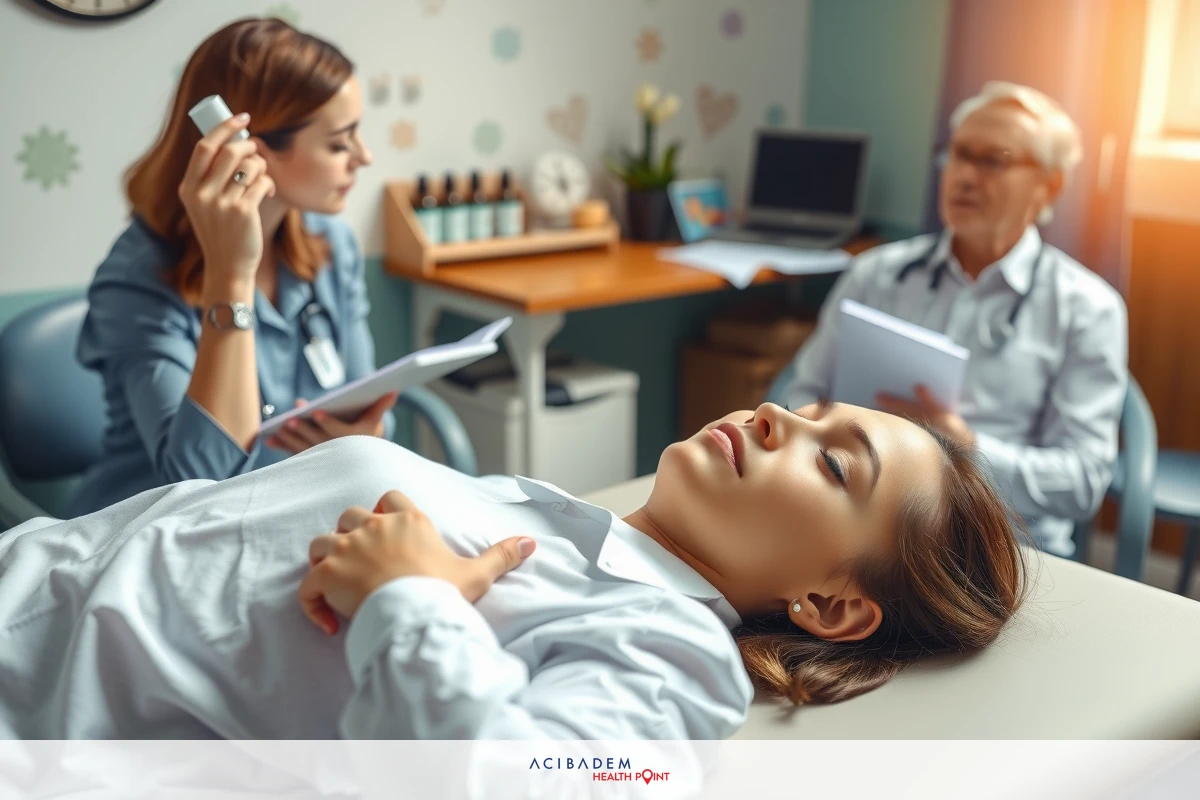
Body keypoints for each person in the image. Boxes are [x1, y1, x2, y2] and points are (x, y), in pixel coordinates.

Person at [0, 401, 1027, 739]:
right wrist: (346, 457)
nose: (775, 416)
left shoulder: (671, 660)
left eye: (830, 458)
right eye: (805, 405)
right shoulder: (547, 515)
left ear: (831, 602)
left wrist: (409, 597)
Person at [65, 18, 397, 518]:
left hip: (289, 514)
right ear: (252, 154)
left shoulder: (331, 245)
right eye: (338, 144)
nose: (364, 158)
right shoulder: (136, 278)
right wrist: (231, 275)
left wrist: (364, 433)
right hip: (153, 537)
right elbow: (201, 482)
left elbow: (366, 401)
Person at [782, 81, 1128, 559]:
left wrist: (966, 449)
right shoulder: (876, 275)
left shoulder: (1088, 308)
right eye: (959, 153)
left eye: (993, 160)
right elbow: (799, 396)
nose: (965, 175)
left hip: (997, 549)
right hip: (859, 525)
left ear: (1049, 186)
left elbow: (1084, 481)